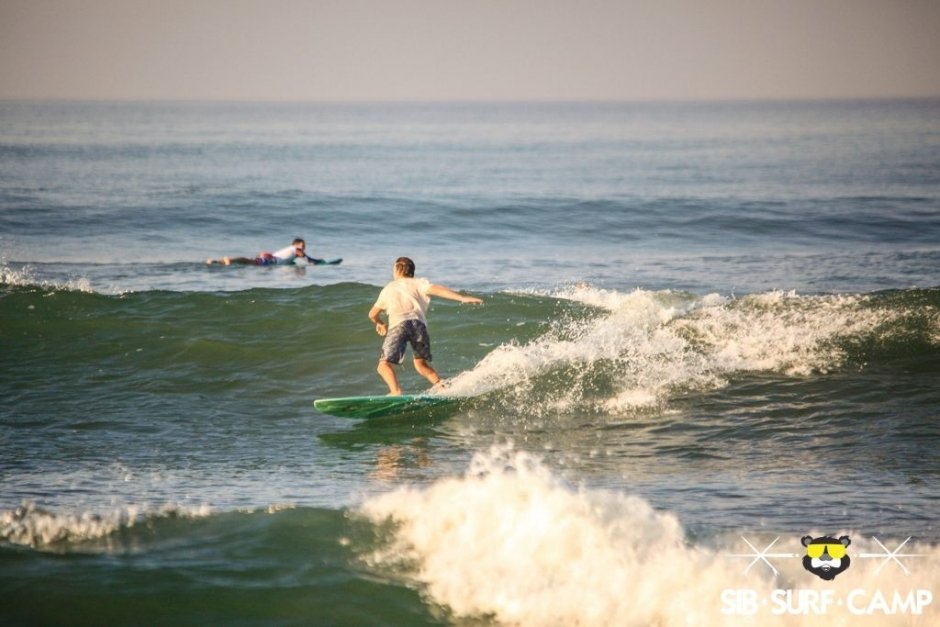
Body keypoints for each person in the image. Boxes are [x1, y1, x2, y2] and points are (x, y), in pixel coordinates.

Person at [369, 257, 482, 395]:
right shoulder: (419, 283)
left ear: (396, 270)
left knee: (383, 366)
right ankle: (442, 389)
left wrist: (380, 323)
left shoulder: (389, 288)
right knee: (421, 364)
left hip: (399, 325)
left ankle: (395, 391)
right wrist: (462, 298)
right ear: (412, 272)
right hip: (419, 326)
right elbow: (438, 289)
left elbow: (372, 314)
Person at [207, 238, 315, 265]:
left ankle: (216, 262)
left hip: (269, 259)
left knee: (248, 262)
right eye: (302, 246)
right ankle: (228, 260)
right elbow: (306, 258)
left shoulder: (290, 251)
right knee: (248, 261)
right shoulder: (296, 249)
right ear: (295, 245)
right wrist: (316, 262)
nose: (303, 248)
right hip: (270, 261)